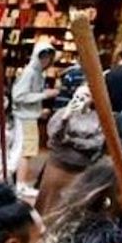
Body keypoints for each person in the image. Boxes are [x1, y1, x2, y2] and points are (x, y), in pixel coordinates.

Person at [35, 85, 103, 219]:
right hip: (58, 165)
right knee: (48, 202)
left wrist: (70, 141)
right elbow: (54, 137)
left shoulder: (97, 118)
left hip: (81, 169)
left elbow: (96, 143)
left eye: (87, 96)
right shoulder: (62, 113)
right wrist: (66, 118)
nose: (82, 98)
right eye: (79, 95)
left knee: (70, 205)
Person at [10, 41, 58, 197]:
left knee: (24, 150)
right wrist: (45, 95)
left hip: (29, 115)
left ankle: (18, 182)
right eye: (43, 57)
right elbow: (18, 95)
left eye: (49, 58)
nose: (46, 61)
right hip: (25, 117)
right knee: (25, 150)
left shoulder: (37, 73)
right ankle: (20, 184)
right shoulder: (30, 72)